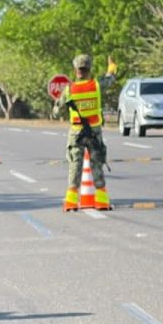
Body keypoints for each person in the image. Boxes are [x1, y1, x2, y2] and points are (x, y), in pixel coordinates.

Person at [52, 54, 117, 210]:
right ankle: (101, 200)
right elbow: (111, 78)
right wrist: (112, 67)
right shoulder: (96, 85)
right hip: (94, 132)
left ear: (75, 71)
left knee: (75, 165)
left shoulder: (69, 90)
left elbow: (56, 111)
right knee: (97, 164)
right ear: (89, 69)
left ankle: (71, 202)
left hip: (76, 133)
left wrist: (57, 110)